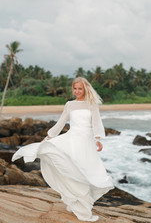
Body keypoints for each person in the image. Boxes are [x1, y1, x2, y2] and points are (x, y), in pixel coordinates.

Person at [12, 77, 114, 222]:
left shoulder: (92, 104)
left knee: (85, 172)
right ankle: (79, 207)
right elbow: (60, 123)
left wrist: (98, 139)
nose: (77, 91)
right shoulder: (70, 105)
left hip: (86, 142)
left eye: (80, 88)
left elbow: (96, 123)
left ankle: (80, 204)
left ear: (85, 89)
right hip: (72, 140)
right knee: (71, 170)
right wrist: (48, 138)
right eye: (75, 88)